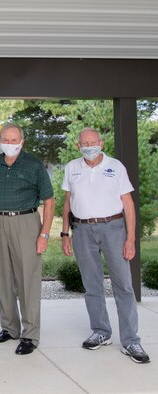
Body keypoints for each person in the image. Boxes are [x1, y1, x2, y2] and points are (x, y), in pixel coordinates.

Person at [61, 127, 150, 364]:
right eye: (84, 143)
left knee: (123, 284)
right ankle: (101, 331)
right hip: (82, 230)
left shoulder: (116, 167)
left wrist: (130, 239)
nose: (89, 146)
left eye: (93, 142)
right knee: (92, 284)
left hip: (113, 228)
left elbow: (128, 204)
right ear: (78, 146)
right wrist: (64, 233)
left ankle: (131, 339)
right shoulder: (72, 168)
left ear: (101, 143)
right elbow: (67, 203)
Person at [0, 123, 54, 355]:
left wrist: (44, 233)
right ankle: (10, 328)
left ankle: (30, 335)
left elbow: (50, 201)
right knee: (2, 276)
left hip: (26, 222)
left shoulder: (33, 165)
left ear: (22, 141)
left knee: (27, 279)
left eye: (15, 140)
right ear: (0, 140)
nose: (10, 143)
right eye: (6, 139)